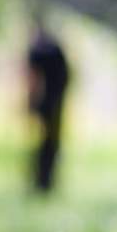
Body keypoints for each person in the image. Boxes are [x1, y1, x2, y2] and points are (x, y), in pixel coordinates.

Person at [26, 21, 70, 193]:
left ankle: (42, 181)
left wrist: (31, 102)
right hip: (55, 104)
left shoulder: (37, 52)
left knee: (44, 144)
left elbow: (33, 79)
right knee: (49, 143)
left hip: (46, 104)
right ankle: (44, 181)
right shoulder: (55, 50)